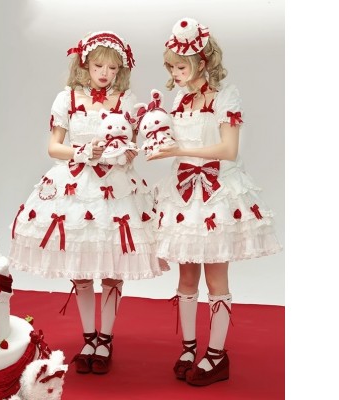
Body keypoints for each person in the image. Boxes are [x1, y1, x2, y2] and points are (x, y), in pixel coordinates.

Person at [8, 30, 167, 375]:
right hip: (76, 189)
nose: (105, 73)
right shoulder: (66, 98)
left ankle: (105, 340)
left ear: (120, 70)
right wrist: (84, 151)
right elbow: (54, 148)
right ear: (84, 64)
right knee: (80, 268)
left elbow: (131, 147)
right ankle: (88, 337)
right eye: (98, 66)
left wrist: (123, 154)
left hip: (115, 190)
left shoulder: (127, 101)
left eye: (112, 68)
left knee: (111, 268)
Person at [146, 17, 282, 386]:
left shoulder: (226, 95)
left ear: (201, 62)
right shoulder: (180, 98)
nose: (175, 74)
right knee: (186, 274)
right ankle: (189, 347)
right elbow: (172, 139)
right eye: (171, 67)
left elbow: (228, 149)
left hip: (216, 192)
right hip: (183, 193)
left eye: (181, 67)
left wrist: (179, 150)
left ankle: (217, 355)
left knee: (216, 275)